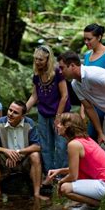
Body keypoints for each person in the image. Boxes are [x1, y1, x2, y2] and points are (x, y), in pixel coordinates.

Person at [46, 112, 105, 210]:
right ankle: (92, 205)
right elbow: (79, 168)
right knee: (72, 182)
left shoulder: (74, 144)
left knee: (65, 188)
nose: (57, 125)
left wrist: (60, 182)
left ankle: (100, 206)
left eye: (61, 123)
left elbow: (73, 175)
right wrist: (59, 171)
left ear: (68, 127)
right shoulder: (85, 139)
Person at [0, 101, 49, 200]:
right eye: (10, 110)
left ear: (23, 115)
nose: (10, 114)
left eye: (15, 112)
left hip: (24, 160)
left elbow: (37, 146)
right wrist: (6, 151)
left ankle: (37, 194)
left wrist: (18, 152)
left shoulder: (29, 123)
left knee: (35, 155)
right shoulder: (0, 123)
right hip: (6, 161)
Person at [26, 45, 70, 182]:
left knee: (61, 145)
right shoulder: (37, 74)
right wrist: (23, 110)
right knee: (45, 146)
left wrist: (58, 117)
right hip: (43, 114)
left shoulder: (58, 72)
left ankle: (61, 175)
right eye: (36, 59)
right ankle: (49, 174)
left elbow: (65, 96)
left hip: (60, 113)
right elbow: (34, 96)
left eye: (41, 59)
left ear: (48, 59)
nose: (37, 62)